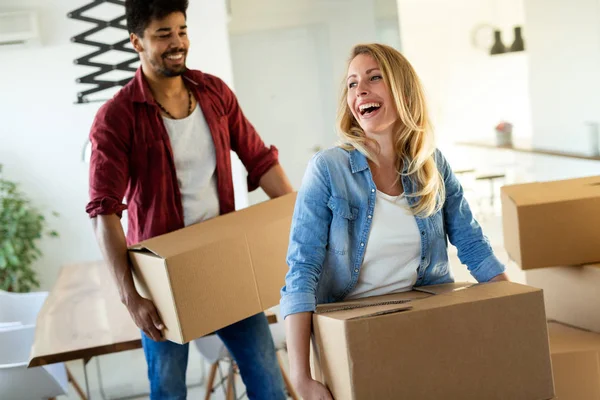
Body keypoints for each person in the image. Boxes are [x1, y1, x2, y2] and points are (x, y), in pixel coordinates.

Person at [85, 0, 293, 398]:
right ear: (137, 42)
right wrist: (132, 298)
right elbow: (104, 213)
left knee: (268, 384)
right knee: (169, 391)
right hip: (159, 281)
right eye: (163, 34)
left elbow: (261, 161)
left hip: (225, 263)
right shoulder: (118, 116)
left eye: (182, 31)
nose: (177, 42)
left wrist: (306, 229)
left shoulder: (214, 93)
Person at [280, 43, 509, 400]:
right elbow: (301, 269)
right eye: (352, 84)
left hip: (426, 325)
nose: (361, 91)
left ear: (402, 91)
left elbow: (473, 245)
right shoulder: (328, 170)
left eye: (374, 78)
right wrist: (301, 377)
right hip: (352, 337)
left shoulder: (432, 165)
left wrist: (515, 313)